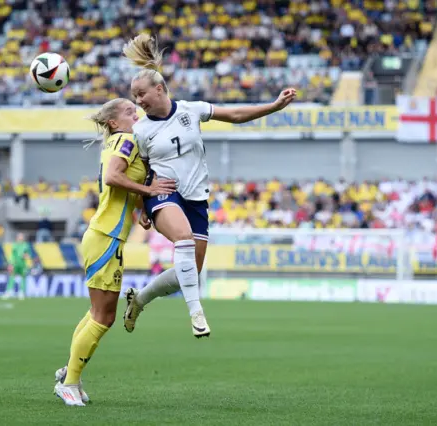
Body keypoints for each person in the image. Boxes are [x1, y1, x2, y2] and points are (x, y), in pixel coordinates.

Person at [121, 33, 297, 338]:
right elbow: (140, 171)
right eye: (134, 97)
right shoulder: (139, 130)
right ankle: (197, 313)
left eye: (141, 94)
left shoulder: (191, 110)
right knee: (184, 240)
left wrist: (273, 107)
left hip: (196, 197)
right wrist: (143, 205)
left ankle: (140, 300)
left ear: (159, 89)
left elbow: (236, 114)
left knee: (187, 272)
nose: (138, 102)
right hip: (164, 193)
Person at [53, 98, 176, 407]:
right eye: (129, 111)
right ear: (114, 122)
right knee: (104, 317)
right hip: (105, 236)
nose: (137, 114)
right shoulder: (127, 139)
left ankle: (72, 375)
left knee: (97, 313)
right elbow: (112, 177)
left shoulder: (116, 142)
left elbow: (120, 187)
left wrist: (140, 209)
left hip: (103, 235)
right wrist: (149, 192)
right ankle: (69, 382)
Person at [1, 232, 30, 300]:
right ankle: (9, 291)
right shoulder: (14, 245)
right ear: (17, 238)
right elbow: (12, 255)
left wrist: (25, 256)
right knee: (12, 277)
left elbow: (28, 255)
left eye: (22, 236)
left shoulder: (26, 245)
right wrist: (10, 264)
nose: (21, 238)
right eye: (20, 236)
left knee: (23, 278)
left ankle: (22, 292)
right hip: (15, 264)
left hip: (22, 264)